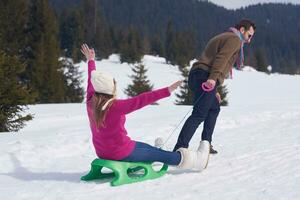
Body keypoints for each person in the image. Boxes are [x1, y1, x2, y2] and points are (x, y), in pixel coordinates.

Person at [81, 44, 210, 171]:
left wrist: (91, 61)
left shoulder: (91, 101)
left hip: (102, 152)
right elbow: (142, 99)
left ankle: (157, 153)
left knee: (147, 148)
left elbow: (91, 79)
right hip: (121, 152)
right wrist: (168, 90)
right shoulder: (115, 106)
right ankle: (196, 161)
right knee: (159, 155)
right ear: (110, 88)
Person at [173, 19, 256, 154]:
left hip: (198, 75)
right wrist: (212, 79)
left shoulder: (224, 36)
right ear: (242, 30)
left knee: (214, 108)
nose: (249, 40)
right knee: (199, 114)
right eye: (249, 35)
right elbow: (221, 59)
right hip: (205, 76)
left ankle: (206, 143)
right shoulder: (234, 39)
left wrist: (214, 88)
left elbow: (213, 58)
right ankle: (179, 149)